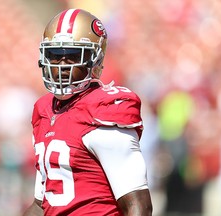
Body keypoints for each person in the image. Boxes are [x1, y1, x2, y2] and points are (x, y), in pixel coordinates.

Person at [23, 8, 153, 216]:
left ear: (95, 61)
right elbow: (41, 205)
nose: (62, 66)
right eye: (55, 56)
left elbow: (138, 206)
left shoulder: (104, 110)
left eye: (73, 56)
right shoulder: (44, 110)